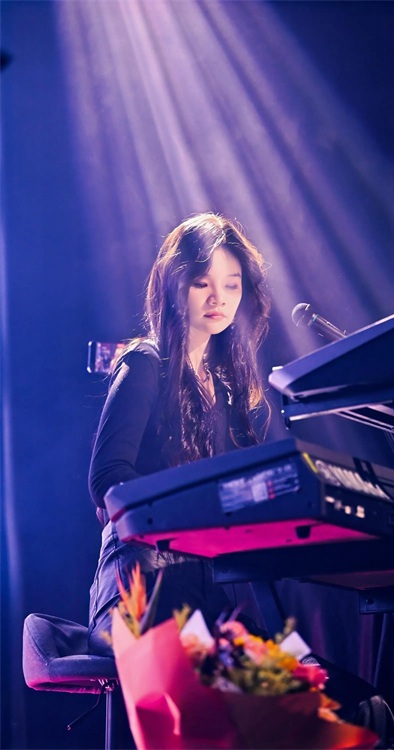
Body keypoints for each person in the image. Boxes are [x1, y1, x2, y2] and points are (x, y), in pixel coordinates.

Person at [87, 212, 272, 656]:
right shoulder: (144, 364)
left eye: (231, 285)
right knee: (235, 679)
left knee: (306, 680)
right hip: (141, 586)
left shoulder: (225, 391)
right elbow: (107, 477)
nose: (218, 297)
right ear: (174, 285)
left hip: (203, 586)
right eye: (201, 282)